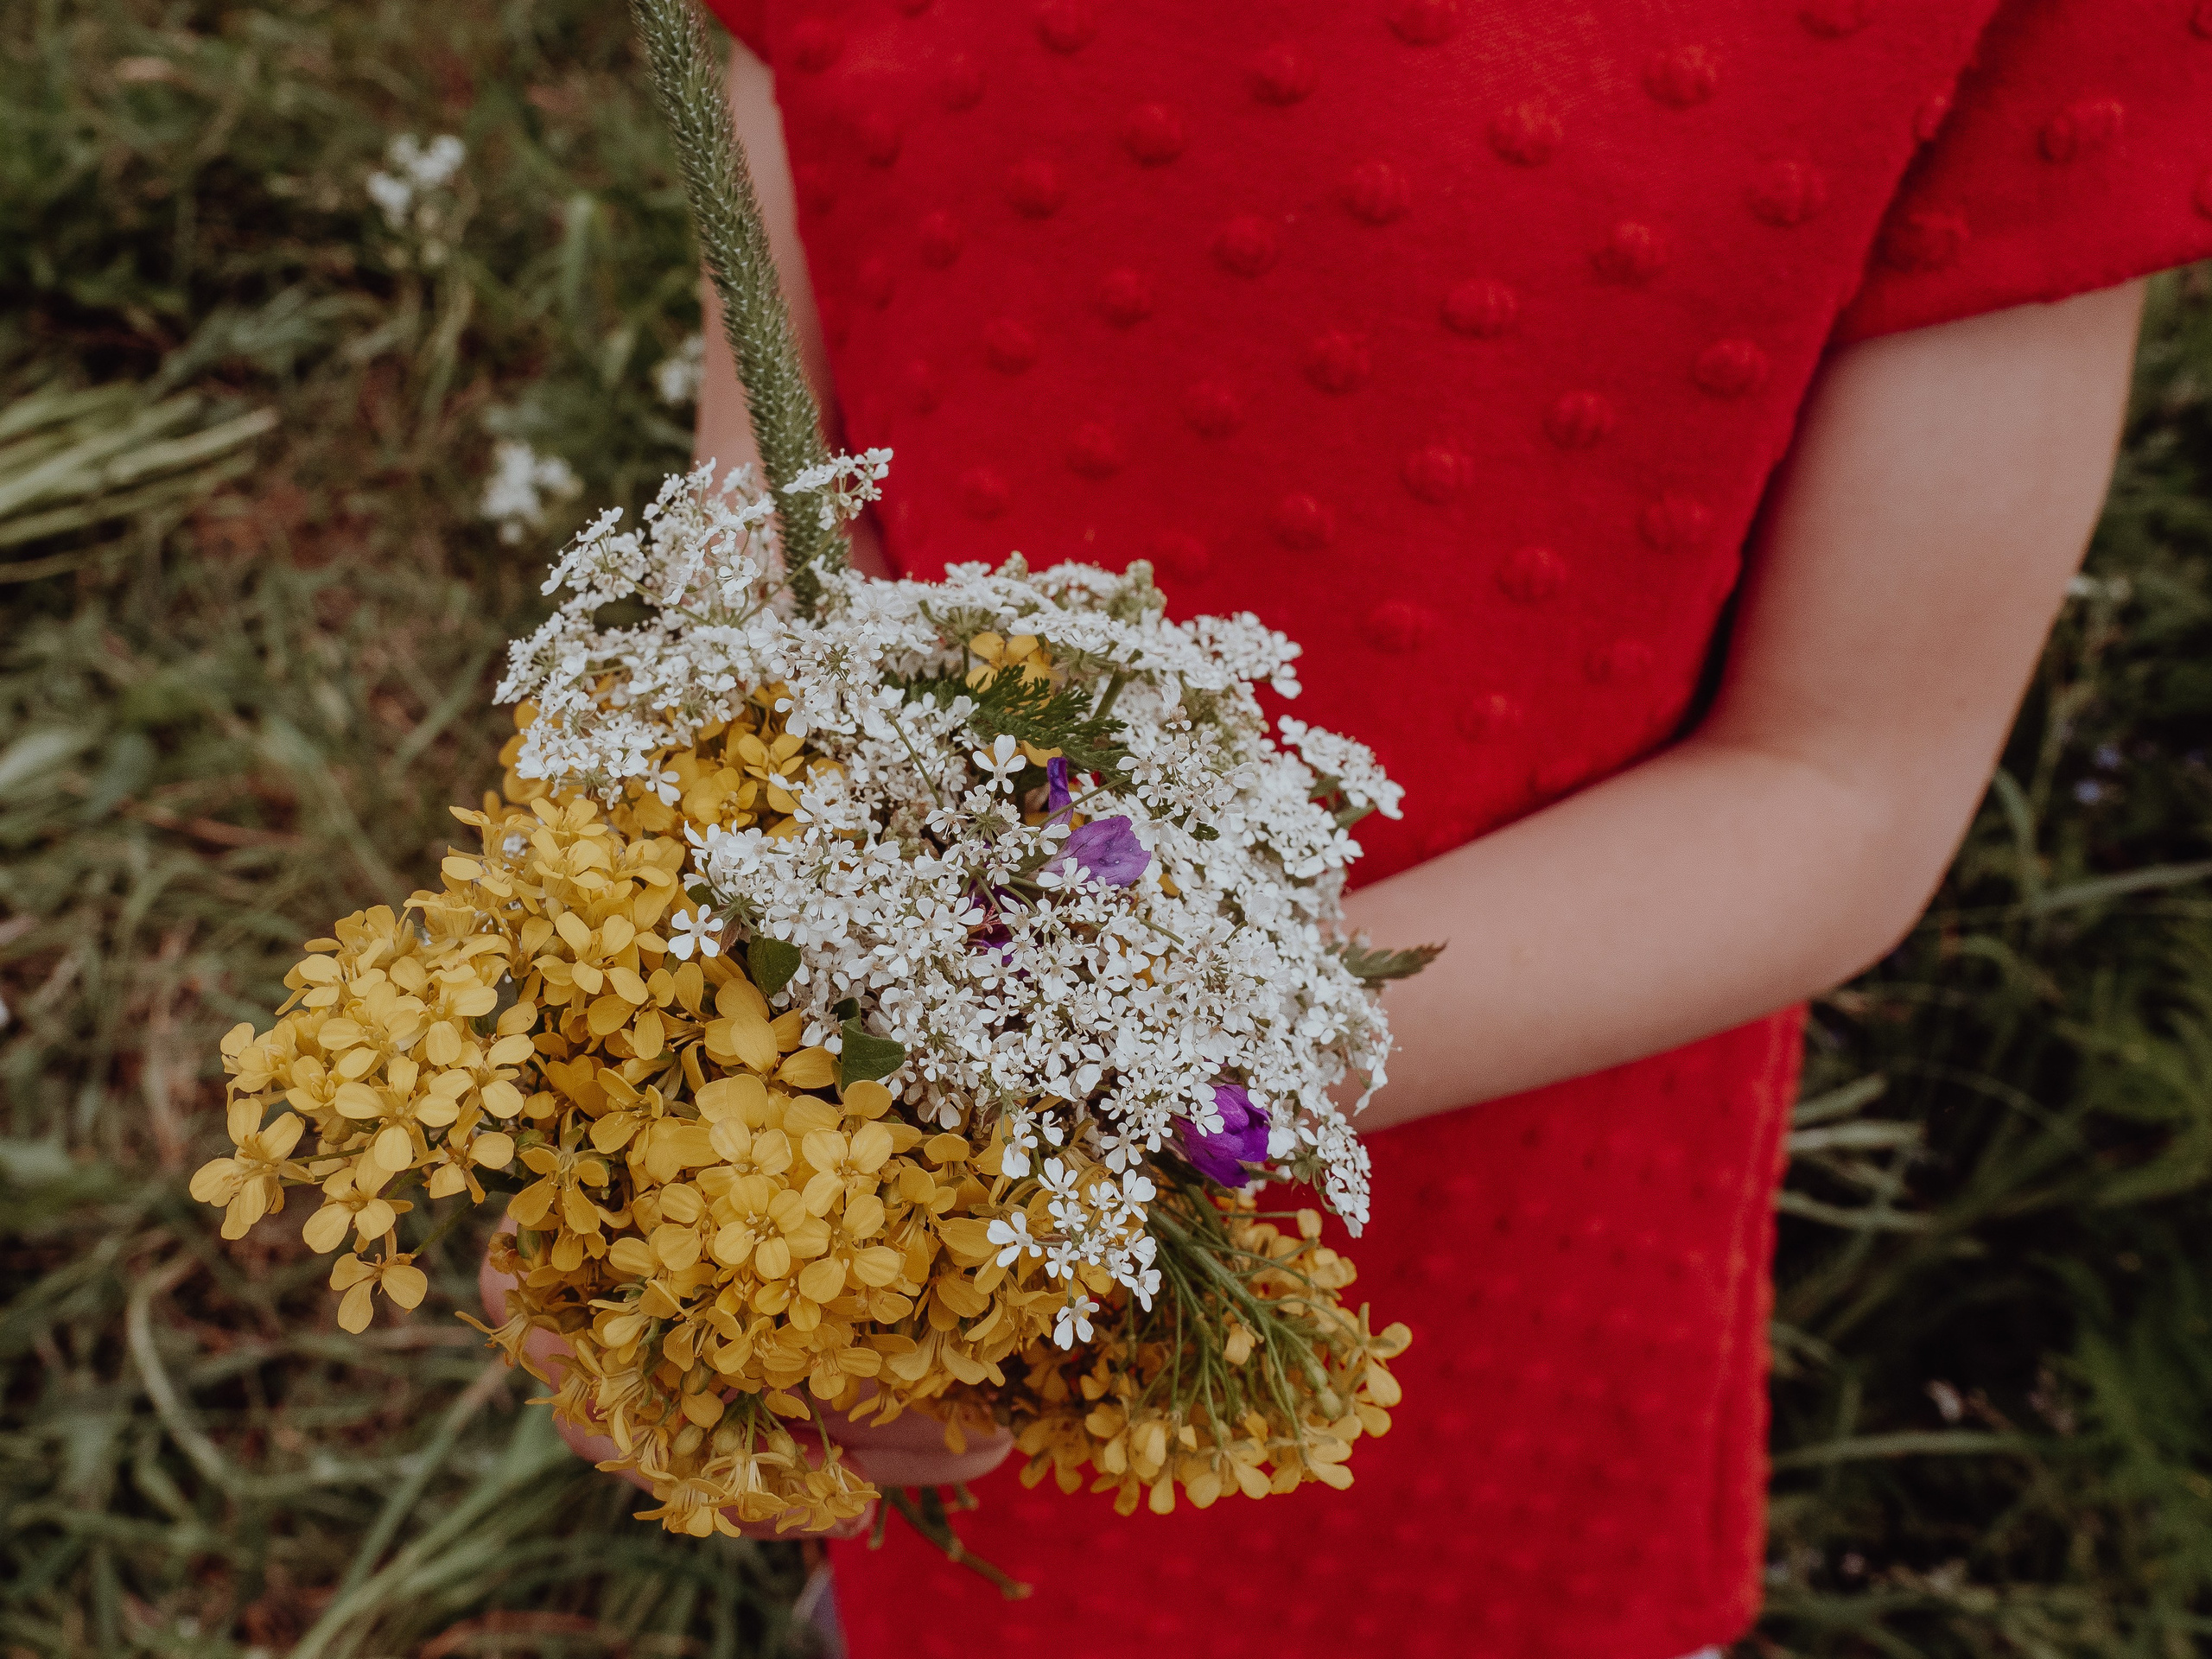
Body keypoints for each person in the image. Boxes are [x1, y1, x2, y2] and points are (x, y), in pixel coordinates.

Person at [486, 3, 2212, 1654]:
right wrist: (683, 1127)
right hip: (886, 1153)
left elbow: (1836, 783)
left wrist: (1034, 1083)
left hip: (1496, 1238)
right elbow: (777, 471)